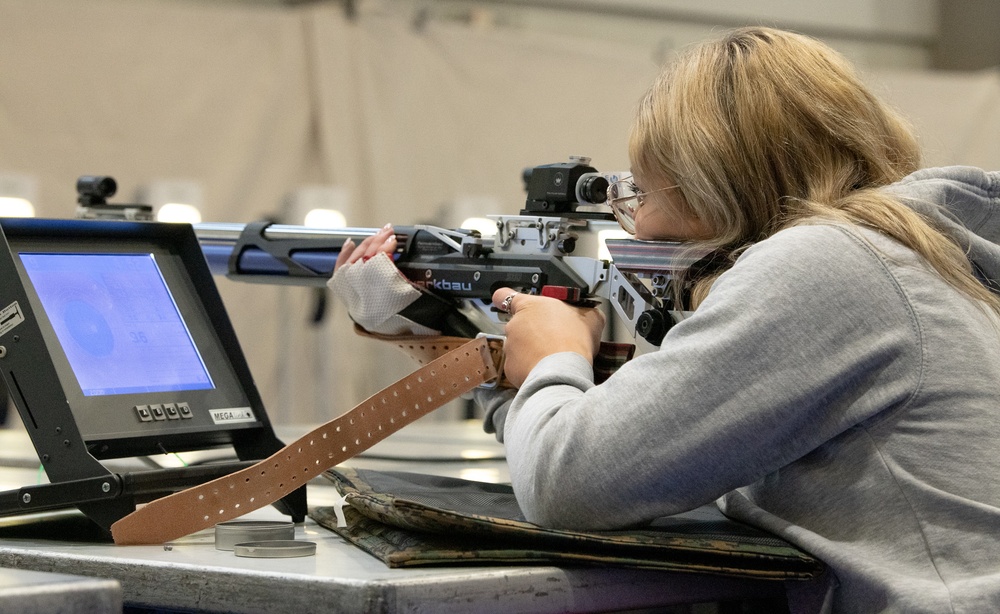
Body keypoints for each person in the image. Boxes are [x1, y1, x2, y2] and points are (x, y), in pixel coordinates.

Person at [332, 27, 1000, 613]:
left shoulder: (828, 264)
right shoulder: (913, 256)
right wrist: (454, 344)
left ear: (716, 182)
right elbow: (632, 460)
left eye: (642, 193)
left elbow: (570, 487)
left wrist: (556, 357)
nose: (637, 221)